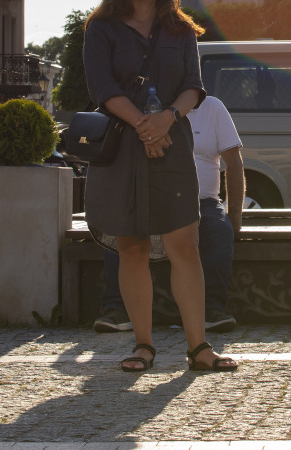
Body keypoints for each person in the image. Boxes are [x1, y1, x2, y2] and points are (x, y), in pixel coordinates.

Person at [83, 0, 237, 372]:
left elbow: (193, 86)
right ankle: (144, 346)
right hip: (121, 143)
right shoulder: (102, 28)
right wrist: (142, 125)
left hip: (171, 140)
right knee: (131, 246)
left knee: (183, 245)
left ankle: (199, 348)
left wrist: (167, 119)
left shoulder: (181, 29)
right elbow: (103, 88)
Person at [95, 95, 245, 334]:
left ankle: (212, 309)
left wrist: (234, 217)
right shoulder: (141, 107)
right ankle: (117, 310)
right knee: (122, 231)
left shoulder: (213, 107)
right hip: (149, 197)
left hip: (203, 202)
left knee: (219, 230)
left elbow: (234, 163)